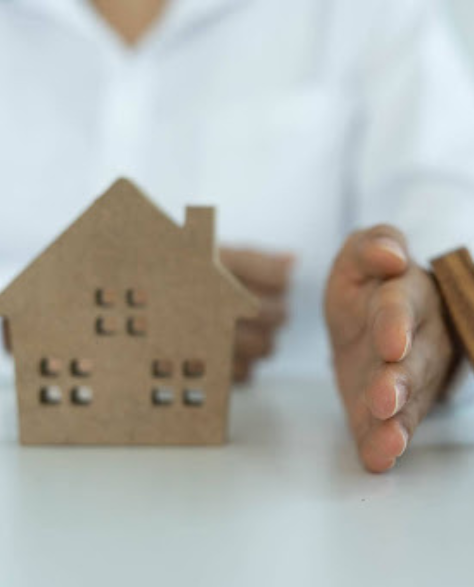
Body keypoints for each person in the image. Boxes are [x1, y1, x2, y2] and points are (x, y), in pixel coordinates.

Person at [1, 0, 474, 473]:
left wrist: (431, 322)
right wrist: (36, 313)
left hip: (291, 471)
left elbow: (448, 212)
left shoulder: (375, 13)